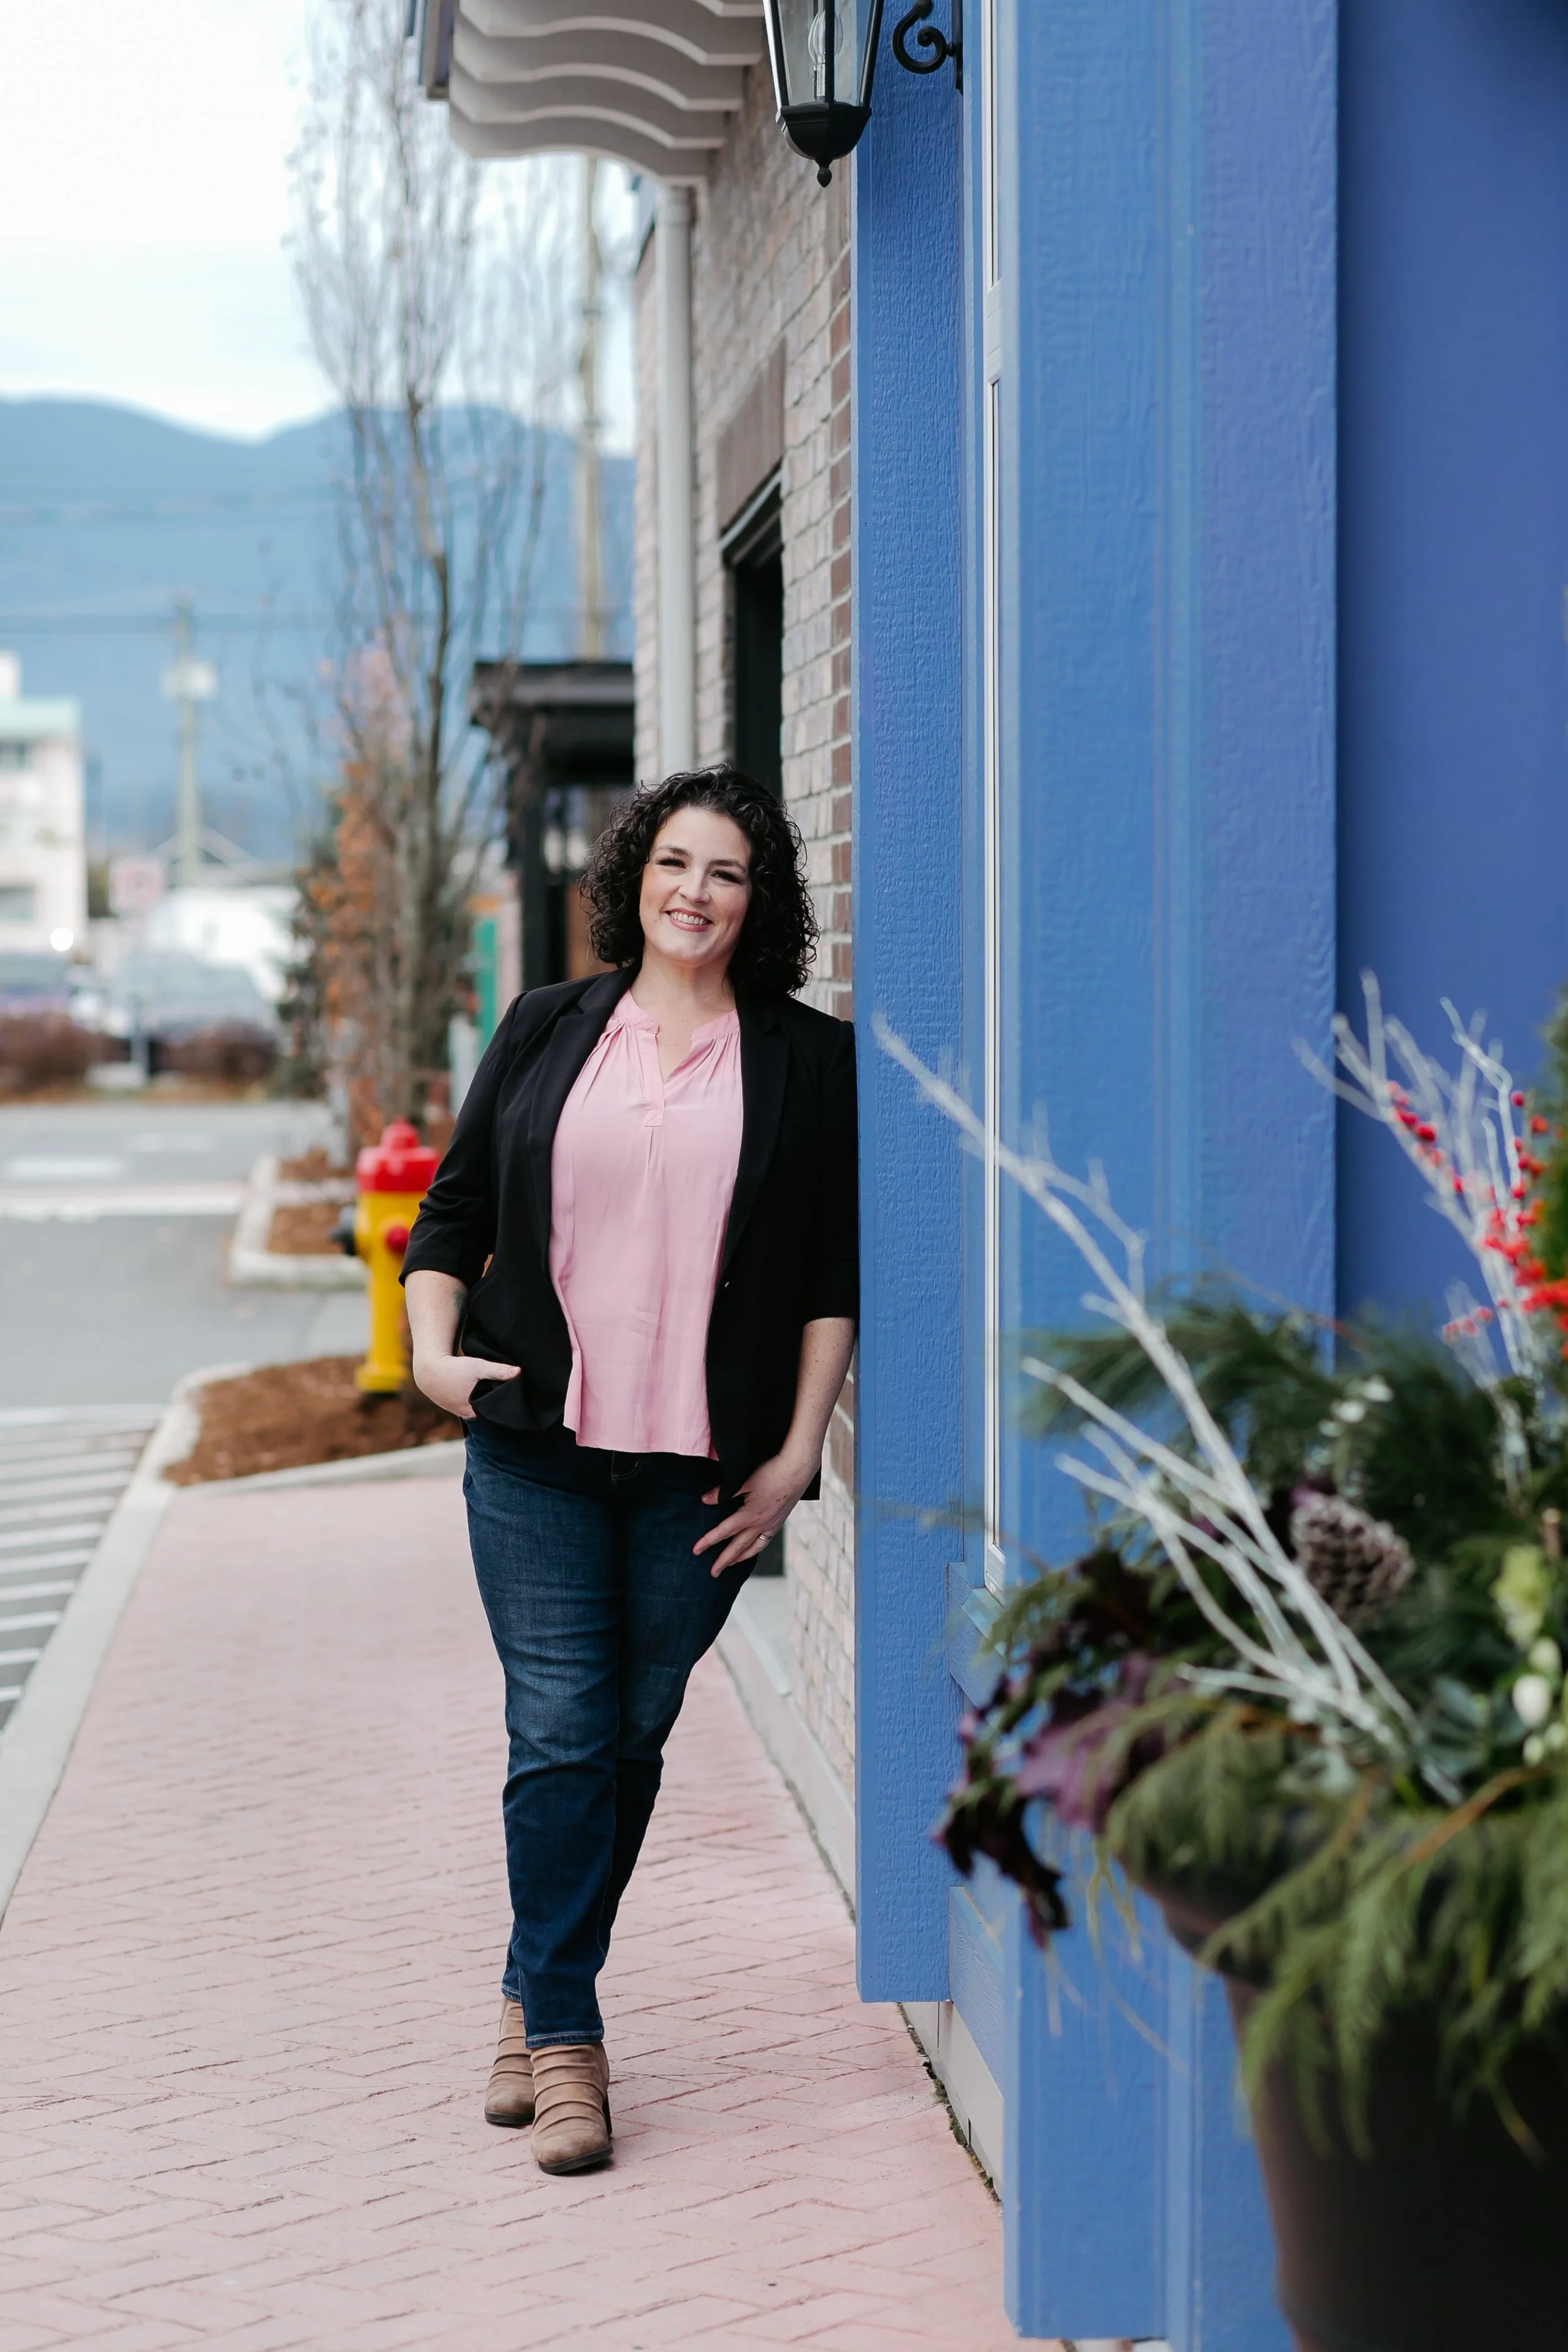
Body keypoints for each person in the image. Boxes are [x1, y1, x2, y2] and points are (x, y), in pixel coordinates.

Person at [401, 765, 858, 2176]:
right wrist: (431, 1361)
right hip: (536, 1450)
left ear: (755, 898)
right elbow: (455, 1208)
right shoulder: (549, 1028)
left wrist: (794, 1457)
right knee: (556, 1737)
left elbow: (830, 1277)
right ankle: (568, 2042)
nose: (694, 892)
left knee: (630, 1740)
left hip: (701, 1477)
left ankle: (527, 1989)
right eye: (674, 864)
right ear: (633, 878)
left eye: (724, 872)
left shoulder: (806, 1060)